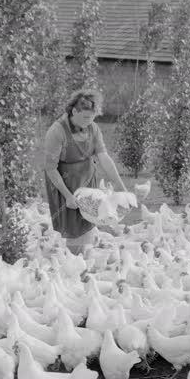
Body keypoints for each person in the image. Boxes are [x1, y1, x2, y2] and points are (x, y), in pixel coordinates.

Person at [43, 88, 127, 254]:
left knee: (88, 222)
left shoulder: (93, 129)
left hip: (88, 179)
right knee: (73, 227)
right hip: (65, 182)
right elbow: (50, 169)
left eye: (93, 117)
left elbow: (104, 158)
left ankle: (82, 262)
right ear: (74, 111)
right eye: (86, 117)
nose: (90, 121)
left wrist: (120, 186)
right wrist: (68, 196)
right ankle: (73, 260)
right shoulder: (57, 131)